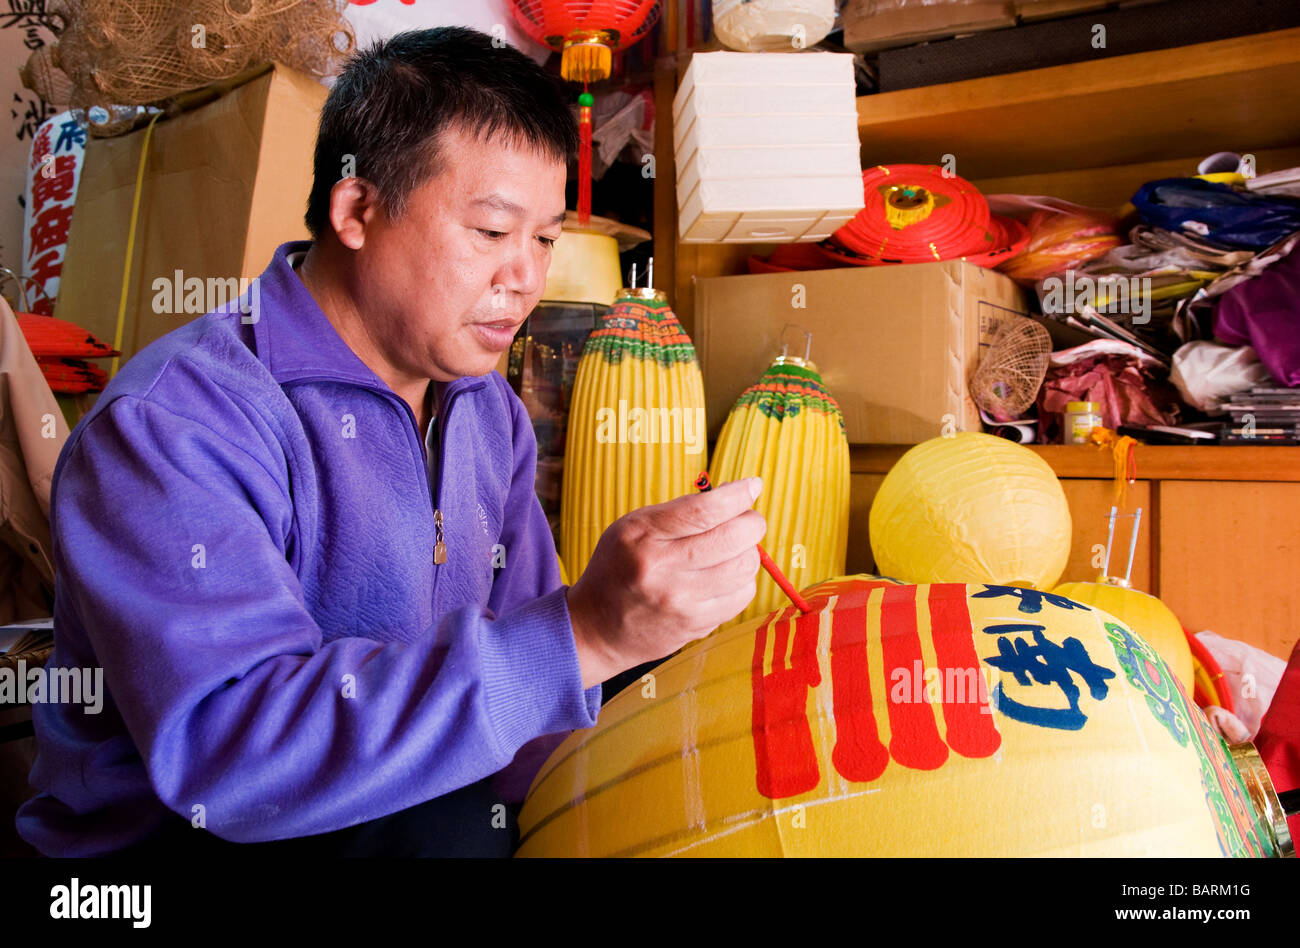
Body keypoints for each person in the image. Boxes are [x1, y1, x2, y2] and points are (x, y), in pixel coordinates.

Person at [16, 27, 764, 857]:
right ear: (357, 211)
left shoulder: (486, 407)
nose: (525, 277)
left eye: (545, 239)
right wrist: (582, 632)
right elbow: (229, 758)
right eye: (490, 232)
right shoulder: (175, 425)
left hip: (399, 806)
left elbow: (526, 684)